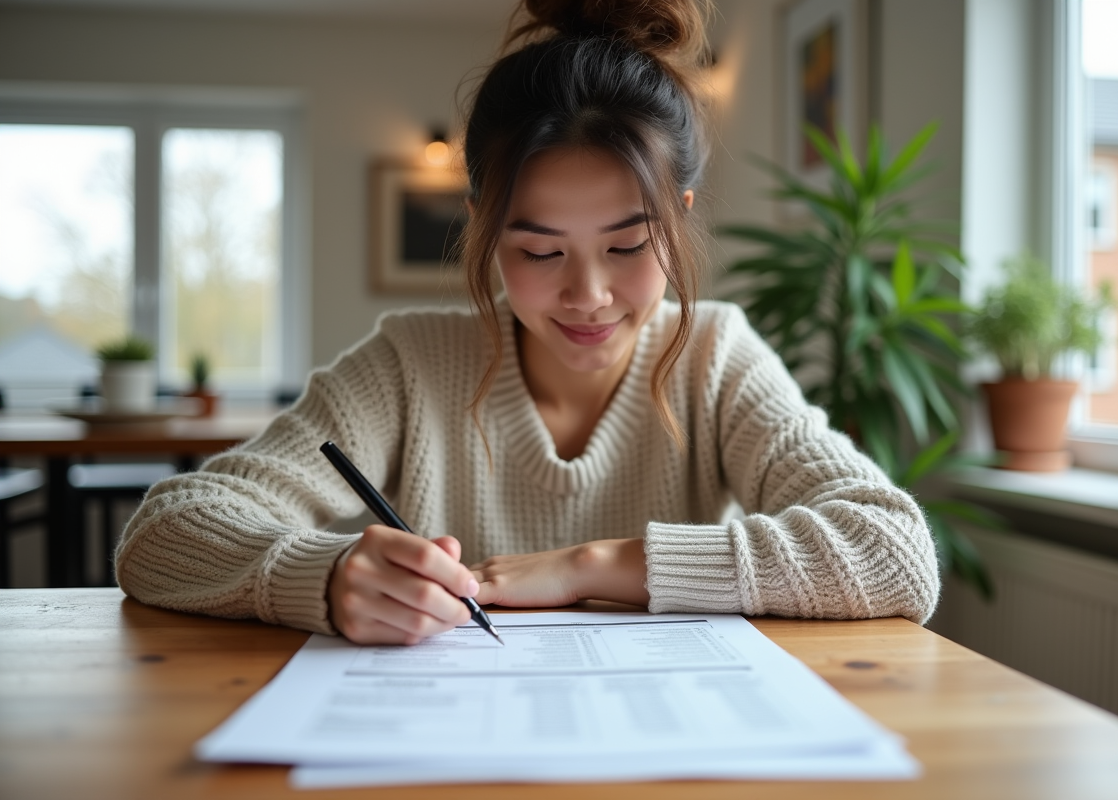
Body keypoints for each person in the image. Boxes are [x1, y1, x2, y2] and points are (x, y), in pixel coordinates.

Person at [116, 0, 940, 645]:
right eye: (541, 252)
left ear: (682, 215)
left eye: (628, 245)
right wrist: (323, 576)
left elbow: (893, 552)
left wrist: (594, 566)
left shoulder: (715, 356)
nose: (589, 295)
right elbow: (164, 533)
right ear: (483, 225)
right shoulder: (410, 363)